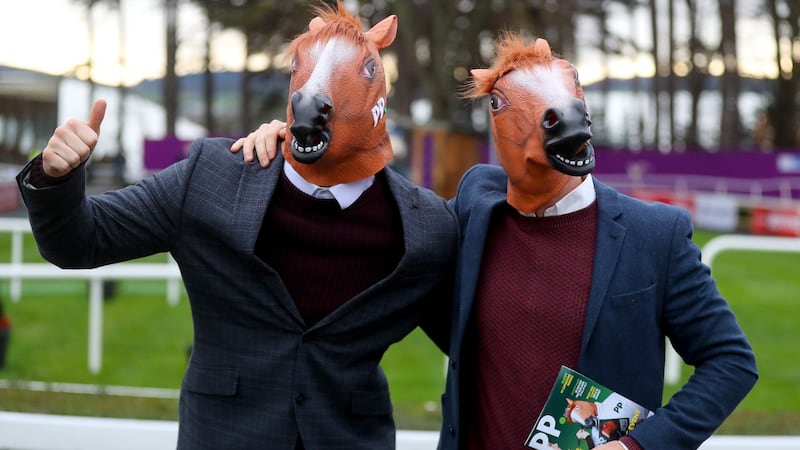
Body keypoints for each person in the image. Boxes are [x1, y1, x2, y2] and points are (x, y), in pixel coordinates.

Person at [233, 34, 757, 450]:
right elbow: (383, 222)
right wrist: (296, 150)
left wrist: (639, 446)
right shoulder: (476, 207)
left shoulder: (653, 235)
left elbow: (731, 362)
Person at [15, 4, 458, 449]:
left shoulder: (426, 227)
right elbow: (79, 242)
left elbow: (479, 348)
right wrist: (57, 178)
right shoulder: (209, 178)